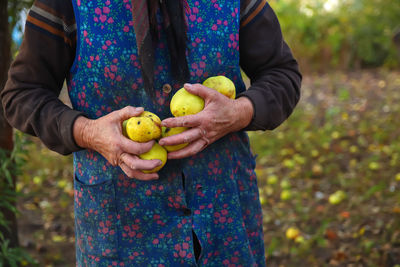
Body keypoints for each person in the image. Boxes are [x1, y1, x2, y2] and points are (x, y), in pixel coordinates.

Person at [1, 0, 301, 265]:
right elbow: (22, 95)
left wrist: (239, 112)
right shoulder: (66, 4)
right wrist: (88, 132)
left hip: (224, 217)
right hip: (119, 228)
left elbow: (282, 74)